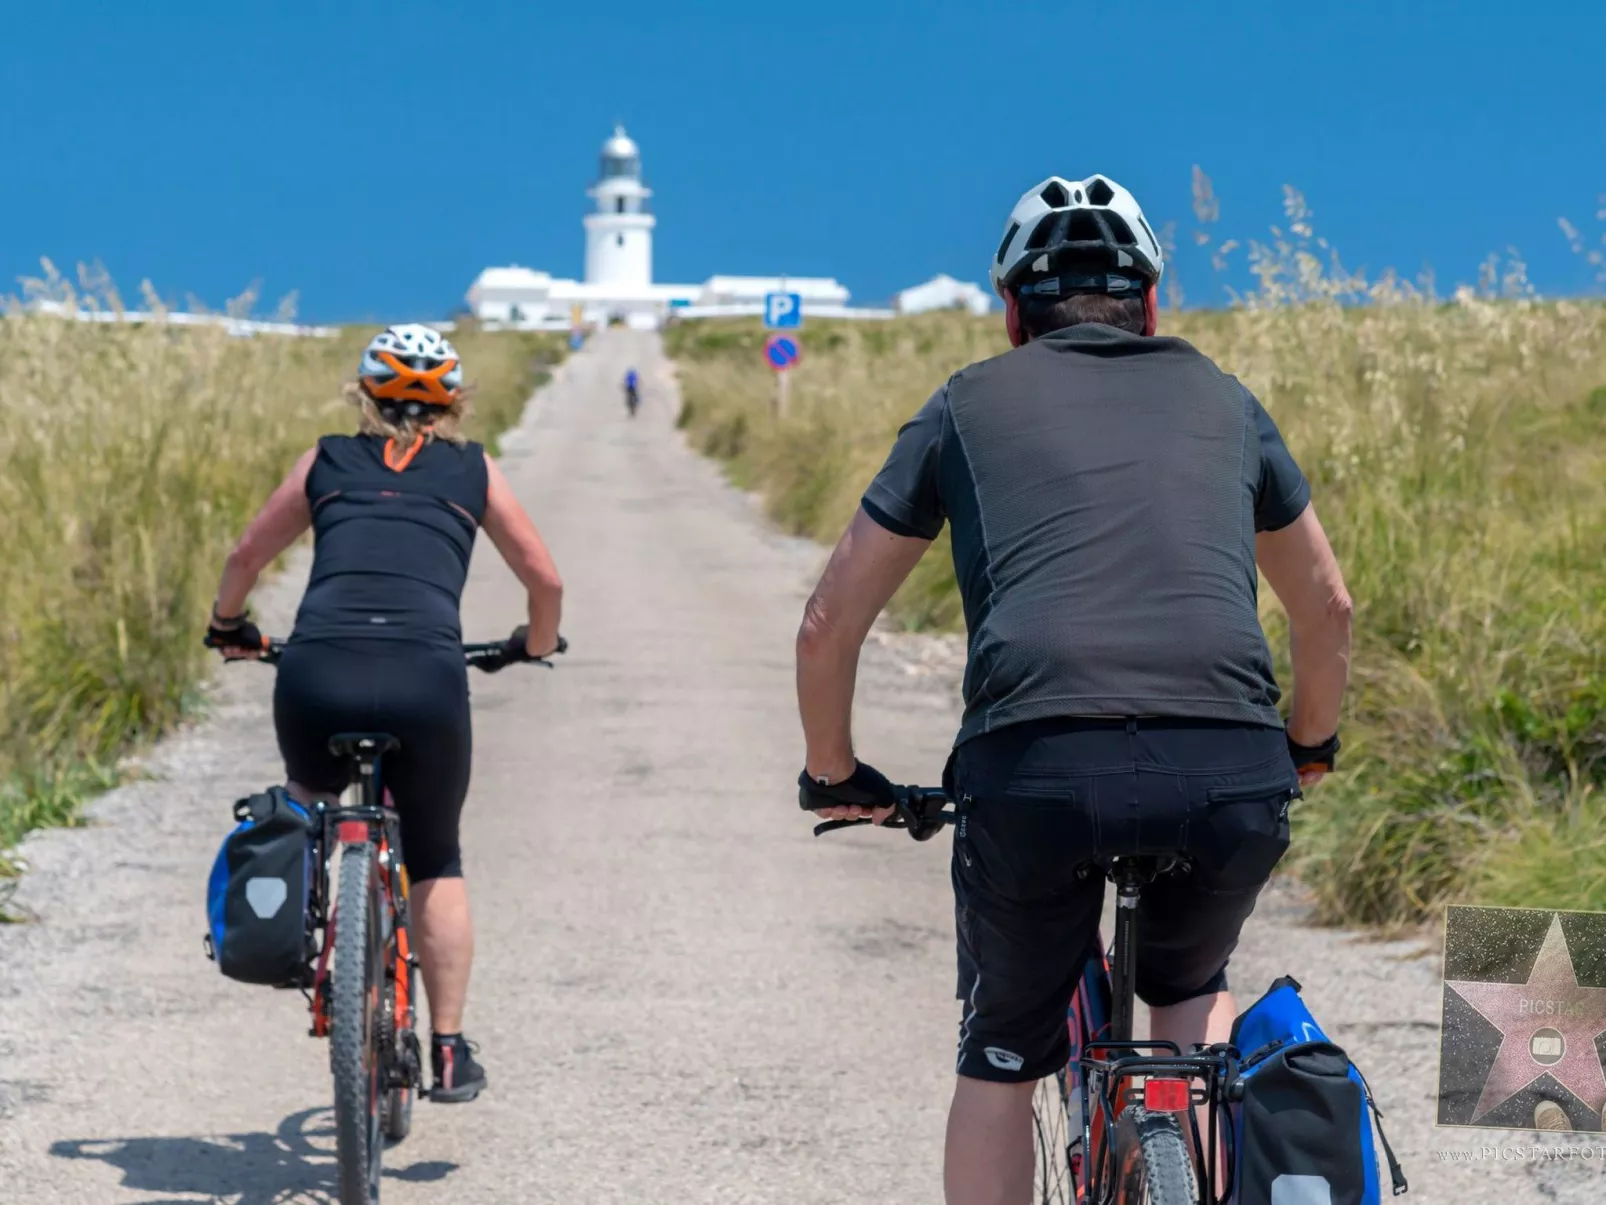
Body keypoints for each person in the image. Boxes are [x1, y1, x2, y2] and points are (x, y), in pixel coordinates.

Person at [795, 175, 1352, 1204]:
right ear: (1149, 306)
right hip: (1225, 762)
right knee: (1190, 997)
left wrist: (834, 772)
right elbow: (1327, 606)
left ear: (1011, 314)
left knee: (1004, 1048)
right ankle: (1193, 1128)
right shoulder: (1228, 399)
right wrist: (1307, 745)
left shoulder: (964, 402)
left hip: (1038, 767)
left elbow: (830, 621)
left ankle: (1040, 1073)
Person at [204, 324, 564, 1104]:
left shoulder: (327, 460)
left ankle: (304, 935)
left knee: (306, 800)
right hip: (426, 681)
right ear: (454, 402)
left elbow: (244, 558)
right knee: (434, 855)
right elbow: (545, 579)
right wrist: (531, 646)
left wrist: (229, 627)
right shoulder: (474, 469)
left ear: (363, 394)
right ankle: (444, 1049)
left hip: (316, 672)